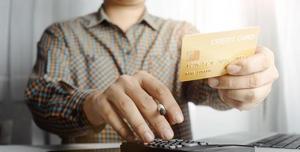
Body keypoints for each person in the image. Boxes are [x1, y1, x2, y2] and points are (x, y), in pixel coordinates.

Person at [25, 0, 279, 144]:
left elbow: (207, 86)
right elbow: (42, 103)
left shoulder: (181, 34)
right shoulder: (61, 35)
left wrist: (239, 85)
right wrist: (94, 104)